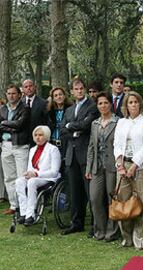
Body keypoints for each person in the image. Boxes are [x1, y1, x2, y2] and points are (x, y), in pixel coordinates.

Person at [114, 91, 143, 249]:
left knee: (141, 202)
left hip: (140, 166)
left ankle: (140, 238)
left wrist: (135, 165)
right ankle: (126, 237)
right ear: (126, 105)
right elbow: (116, 144)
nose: (133, 105)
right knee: (123, 202)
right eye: (130, 102)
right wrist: (120, 164)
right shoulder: (122, 122)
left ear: (140, 104)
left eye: (136, 102)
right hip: (123, 166)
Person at [60, 79, 99, 235]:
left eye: (82, 88)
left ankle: (95, 225)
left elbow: (86, 125)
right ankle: (76, 223)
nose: (80, 91)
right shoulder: (69, 110)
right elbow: (62, 129)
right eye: (76, 89)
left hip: (86, 154)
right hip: (72, 154)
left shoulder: (92, 107)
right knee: (75, 192)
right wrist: (73, 129)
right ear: (72, 91)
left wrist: (71, 126)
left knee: (90, 193)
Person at [85, 92, 120, 241]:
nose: (103, 106)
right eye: (100, 103)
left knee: (112, 199)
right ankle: (99, 230)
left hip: (112, 166)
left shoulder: (118, 122)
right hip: (97, 167)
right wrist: (88, 168)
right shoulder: (95, 124)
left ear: (110, 104)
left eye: (105, 103)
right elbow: (91, 147)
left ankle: (112, 232)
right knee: (95, 198)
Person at [0, 84, 31, 215]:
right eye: (9, 93)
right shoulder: (3, 109)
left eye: (14, 93)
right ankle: (13, 205)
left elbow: (20, 125)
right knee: (9, 177)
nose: (11, 96)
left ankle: (24, 206)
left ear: (19, 95)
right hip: (6, 145)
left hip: (20, 146)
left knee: (21, 177)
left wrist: (5, 124)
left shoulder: (25, 108)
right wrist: (10, 127)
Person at [15, 126, 61, 226]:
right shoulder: (32, 150)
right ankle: (23, 212)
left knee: (32, 182)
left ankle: (30, 215)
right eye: (35, 135)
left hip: (48, 178)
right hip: (34, 177)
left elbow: (54, 172)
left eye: (40, 135)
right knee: (19, 181)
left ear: (46, 136)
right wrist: (28, 173)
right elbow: (30, 168)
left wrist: (36, 174)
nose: (37, 137)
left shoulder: (53, 149)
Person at [47, 87, 72, 157]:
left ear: (64, 96)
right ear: (53, 98)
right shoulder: (50, 112)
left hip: (66, 143)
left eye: (60, 94)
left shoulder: (71, 110)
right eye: (56, 95)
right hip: (53, 142)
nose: (59, 97)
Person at [22, 79, 48, 146]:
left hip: (38, 139)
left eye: (30, 86)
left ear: (35, 87)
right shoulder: (19, 103)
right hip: (23, 140)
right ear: (23, 89)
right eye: (26, 87)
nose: (29, 88)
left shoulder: (43, 103)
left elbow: (46, 122)